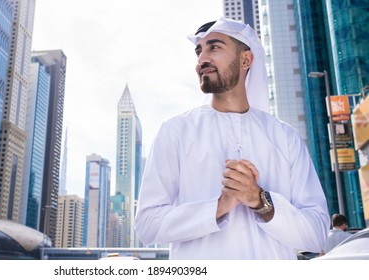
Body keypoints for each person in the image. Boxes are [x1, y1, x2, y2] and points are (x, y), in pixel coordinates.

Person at [134, 17, 330, 259]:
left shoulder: (284, 137)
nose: (202, 59)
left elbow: (317, 233)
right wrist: (218, 207)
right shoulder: (176, 131)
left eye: (214, 47)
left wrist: (260, 201)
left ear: (245, 59)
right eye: (199, 51)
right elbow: (147, 224)